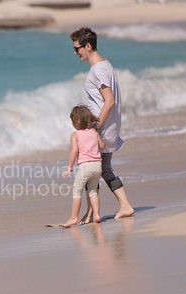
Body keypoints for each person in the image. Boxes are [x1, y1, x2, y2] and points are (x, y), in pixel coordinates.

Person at [70, 27, 134, 222]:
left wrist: (95, 125)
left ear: (88, 46)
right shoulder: (104, 65)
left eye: (77, 48)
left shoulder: (99, 69)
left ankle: (108, 209)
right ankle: (114, 207)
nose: (75, 52)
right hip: (106, 124)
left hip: (102, 126)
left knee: (93, 168)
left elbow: (109, 100)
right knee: (100, 168)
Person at [62, 105, 105, 228]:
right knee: (92, 191)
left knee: (77, 191)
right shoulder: (94, 132)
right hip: (97, 166)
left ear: (75, 122)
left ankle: (73, 217)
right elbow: (102, 146)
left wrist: (69, 167)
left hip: (85, 166)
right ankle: (96, 214)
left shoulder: (75, 135)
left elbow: (74, 151)